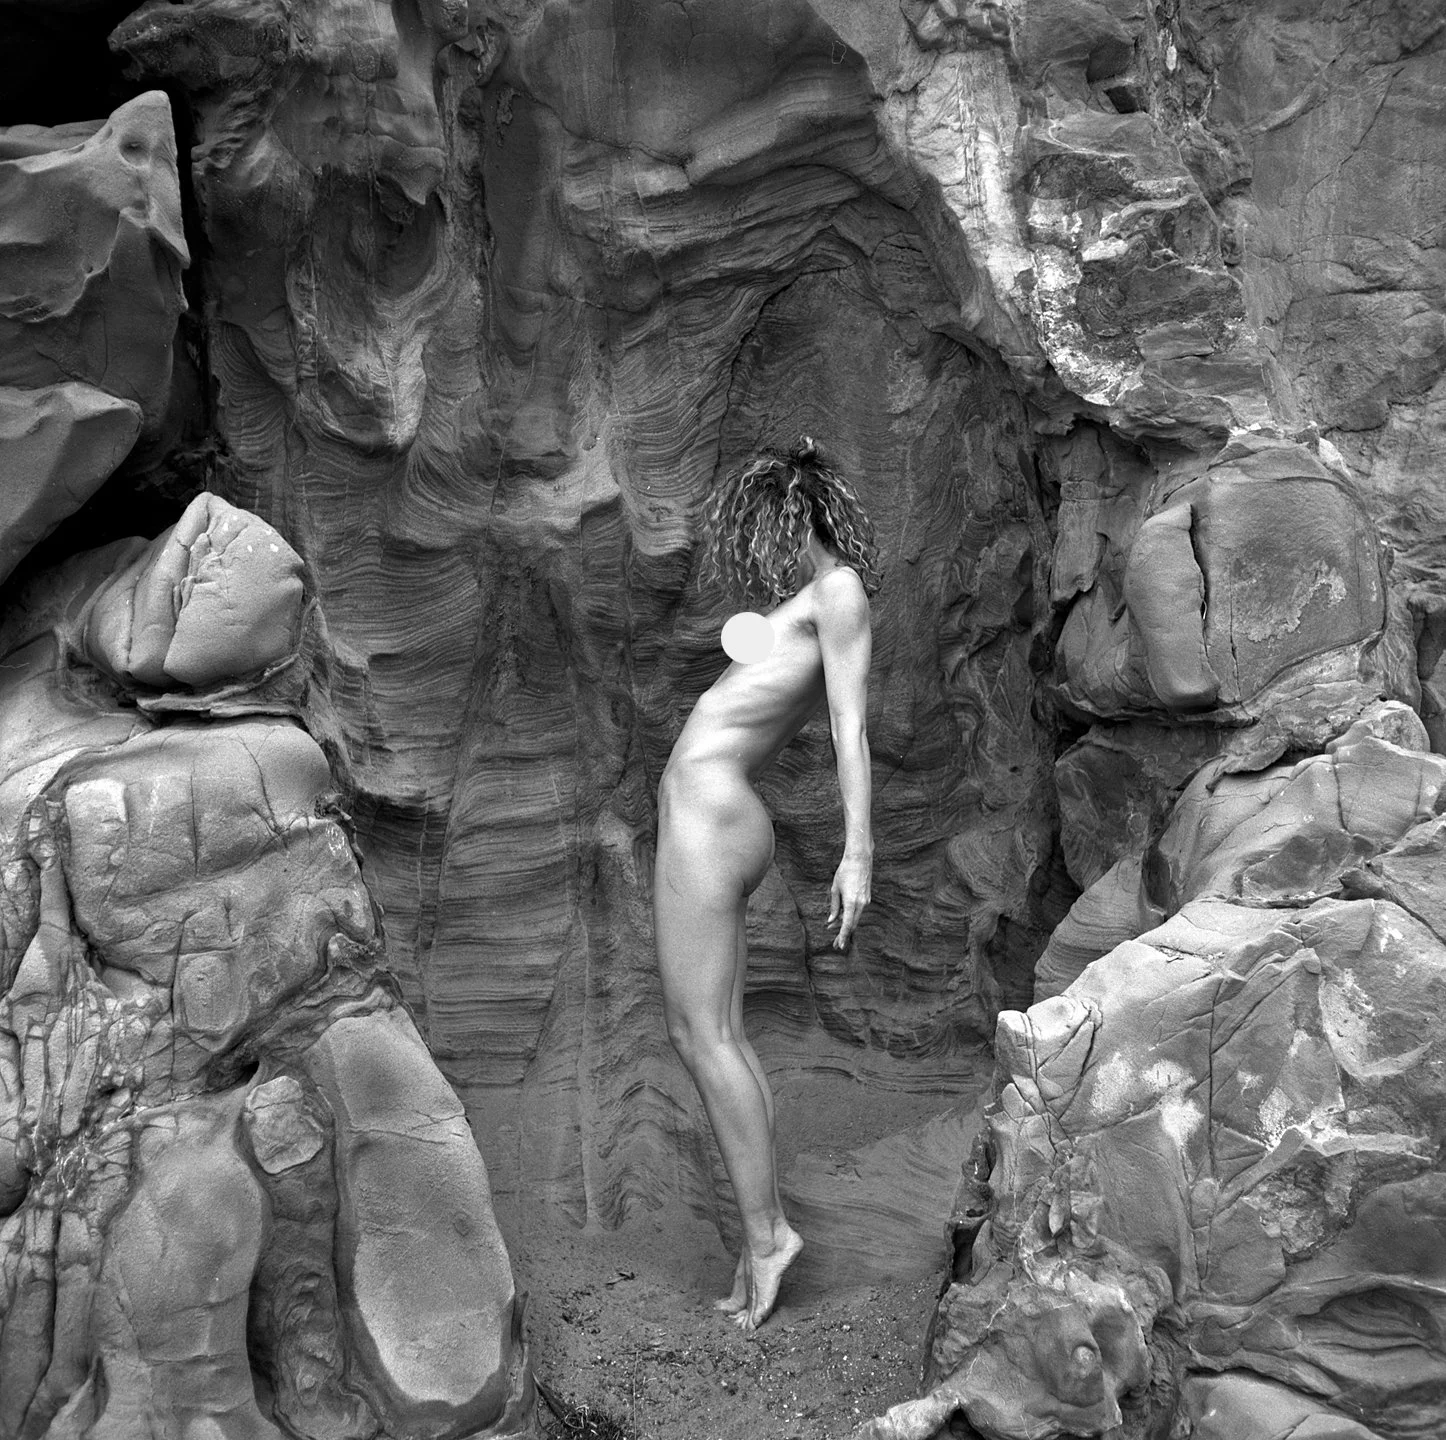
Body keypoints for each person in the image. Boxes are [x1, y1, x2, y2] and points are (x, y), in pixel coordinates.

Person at [654, 436, 880, 1331]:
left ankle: (767, 1236)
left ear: (797, 520)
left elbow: (848, 729)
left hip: (710, 818)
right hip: (709, 813)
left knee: (700, 1034)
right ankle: (764, 1233)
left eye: (769, 530)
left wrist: (858, 851)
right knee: (714, 1035)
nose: (763, 553)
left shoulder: (839, 592)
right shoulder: (807, 603)